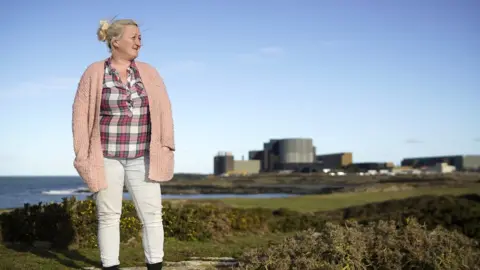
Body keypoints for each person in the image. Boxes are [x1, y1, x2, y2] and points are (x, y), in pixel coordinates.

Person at [72, 18, 175, 270]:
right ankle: (110, 266)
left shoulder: (149, 72)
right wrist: (82, 154)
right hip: (106, 157)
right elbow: (80, 115)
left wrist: (166, 146)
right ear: (115, 41)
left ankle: (155, 266)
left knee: (152, 216)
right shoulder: (95, 72)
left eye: (140, 37)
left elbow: (164, 111)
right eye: (134, 37)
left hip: (143, 156)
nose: (139, 41)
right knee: (108, 216)